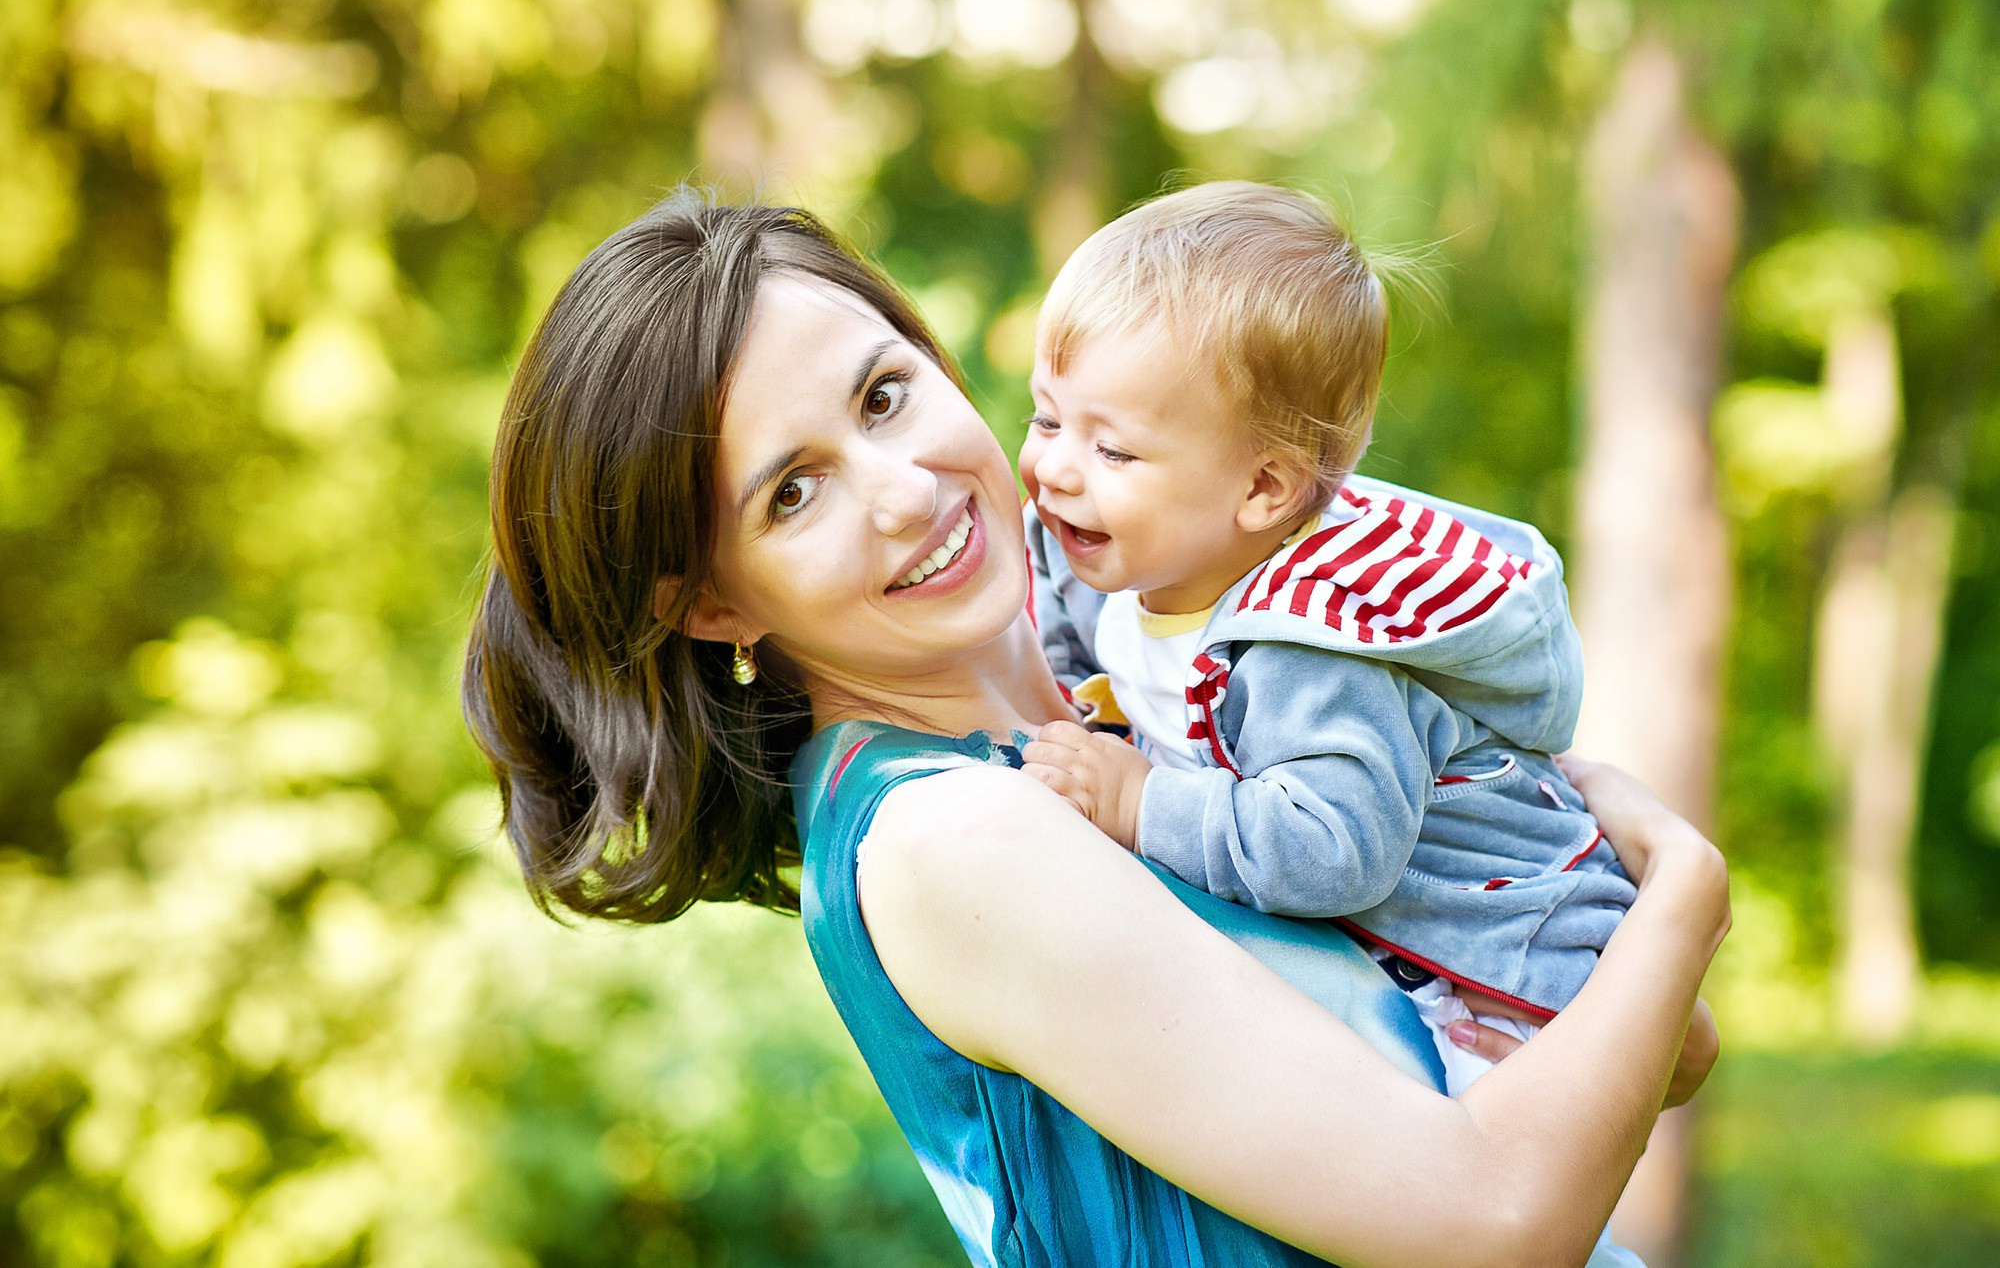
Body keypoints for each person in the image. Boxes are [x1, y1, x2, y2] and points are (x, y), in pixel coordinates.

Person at [462, 192, 1730, 1268]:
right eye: (793, 491)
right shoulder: (947, 835)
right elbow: (1493, 1218)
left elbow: (1621, 1057)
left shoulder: (1150, 673)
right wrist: (1681, 891)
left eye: (886, 394)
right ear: (713, 601)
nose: (905, 489)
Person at [1014, 181, 1637, 1095]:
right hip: (1381, 975)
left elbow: (1336, 848)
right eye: (1046, 417)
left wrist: (1141, 800)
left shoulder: (1309, 651)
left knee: (1463, 1208)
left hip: (1490, 975)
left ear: (1264, 490)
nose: (1056, 469)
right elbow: (1075, 643)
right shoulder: (1115, 563)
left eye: (1113, 451)